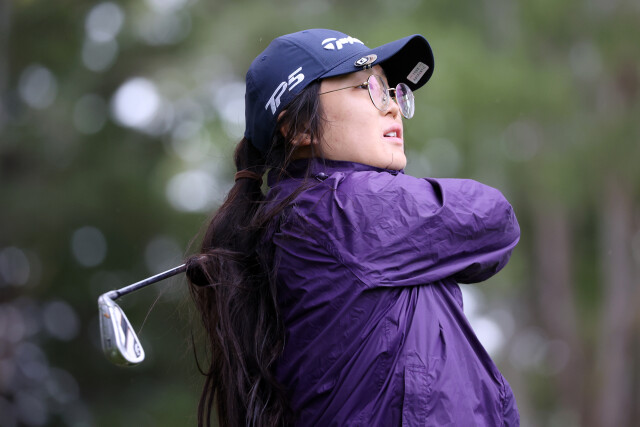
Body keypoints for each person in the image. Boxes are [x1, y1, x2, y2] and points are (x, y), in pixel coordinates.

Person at [186, 29, 520, 426]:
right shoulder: (339, 208)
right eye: (368, 88)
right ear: (299, 128)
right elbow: (493, 217)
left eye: (392, 92)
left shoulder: (309, 213)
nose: (393, 108)